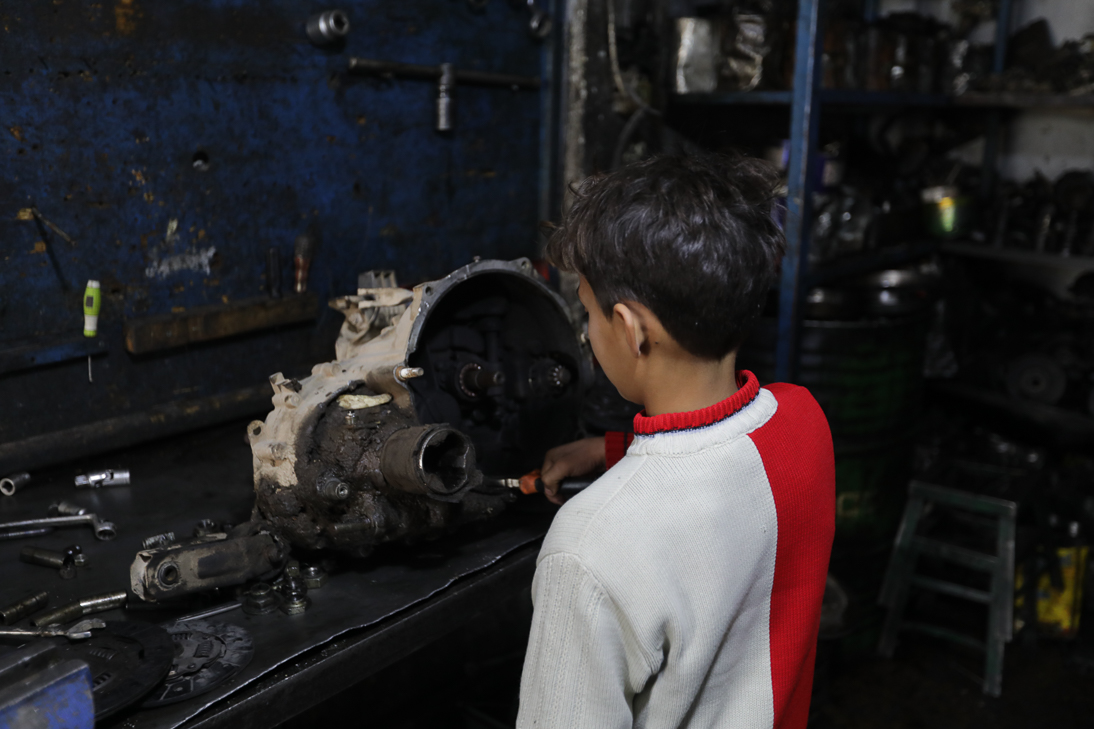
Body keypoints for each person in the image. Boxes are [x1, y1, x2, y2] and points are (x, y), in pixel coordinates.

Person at [516, 154, 835, 729]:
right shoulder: (805, 421)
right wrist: (607, 449)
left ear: (631, 329)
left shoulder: (586, 549)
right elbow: (726, 463)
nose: (588, 333)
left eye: (588, 313)